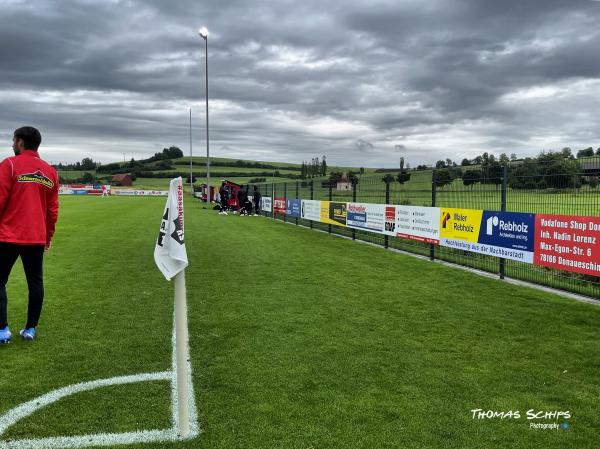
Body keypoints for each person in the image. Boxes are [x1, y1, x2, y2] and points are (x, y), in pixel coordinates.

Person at [0, 126, 59, 343]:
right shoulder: (50, 171)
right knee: (35, 282)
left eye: (14, 140)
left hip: (7, 236)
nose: (12, 144)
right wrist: (48, 236)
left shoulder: (10, 164)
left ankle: (2, 330)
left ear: (21, 142)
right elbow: (53, 210)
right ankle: (30, 329)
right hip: (36, 237)